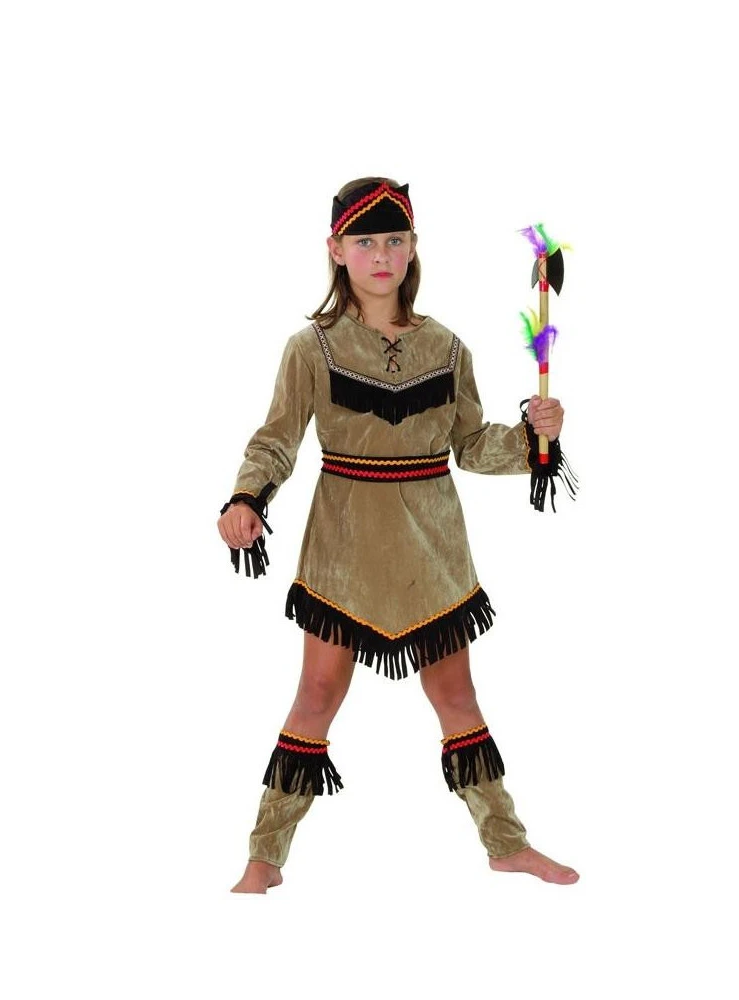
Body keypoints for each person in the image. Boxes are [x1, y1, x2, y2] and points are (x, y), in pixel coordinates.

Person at [218, 177, 580, 894]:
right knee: (316, 695)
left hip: (432, 551)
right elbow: (277, 438)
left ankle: (506, 843)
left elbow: (471, 445)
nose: (380, 255)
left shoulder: (446, 347)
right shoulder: (312, 348)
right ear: (336, 250)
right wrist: (246, 496)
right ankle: (264, 857)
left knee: (457, 698)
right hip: (343, 552)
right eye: (365, 241)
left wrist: (534, 438)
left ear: (413, 248)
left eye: (394, 240)